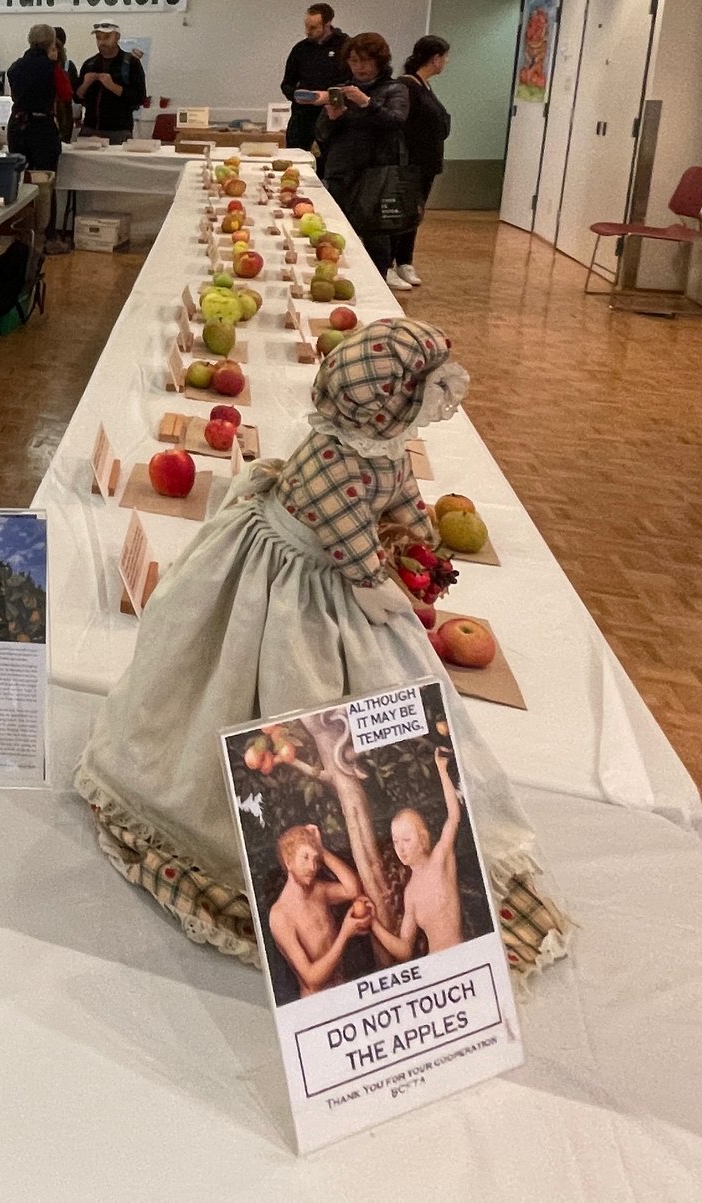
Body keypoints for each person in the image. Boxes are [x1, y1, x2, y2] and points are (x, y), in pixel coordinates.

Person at [75, 318, 567, 978]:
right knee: (279, 677)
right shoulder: (337, 461)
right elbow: (351, 548)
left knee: (367, 690)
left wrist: (419, 544)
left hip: (324, 569)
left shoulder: (379, 446)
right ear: (392, 399)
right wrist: (383, 580)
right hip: (292, 582)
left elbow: (400, 498)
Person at [315, 31, 414, 276]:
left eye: (366, 61)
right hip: (341, 171)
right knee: (334, 232)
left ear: (379, 61)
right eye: (354, 61)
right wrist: (333, 118)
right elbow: (322, 134)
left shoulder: (396, 89)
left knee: (375, 239)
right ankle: (336, 279)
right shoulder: (340, 90)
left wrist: (367, 103)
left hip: (376, 174)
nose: (359, 67)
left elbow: (396, 121)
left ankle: (378, 288)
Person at [269, 823, 376, 997]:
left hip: (343, 988)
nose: (312, 867)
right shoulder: (280, 915)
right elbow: (311, 978)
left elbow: (353, 889)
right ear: (289, 862)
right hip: (319, 1002)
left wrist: (321, 850)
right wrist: (345, 933)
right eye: (305, 858)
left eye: (315, 860)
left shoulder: (317, 891)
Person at [382, 749, 467, 959]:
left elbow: (454, 816)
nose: (400, 848)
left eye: (407, 840)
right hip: (435, 969)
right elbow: (404, 950)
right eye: (395, 842)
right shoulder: (409, 892)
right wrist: (373, 924)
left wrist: (441, 768)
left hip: (462, 959)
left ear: (422, 838)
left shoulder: (440, 858)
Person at [392, 35, 452, 290]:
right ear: (435, 58)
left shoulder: (425, 86)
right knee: (402, 213)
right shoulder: (407, 86)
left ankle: (405, 261)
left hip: (426, 163)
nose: (446, 62)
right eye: (444, 57)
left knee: (415, 215)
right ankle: (387, 263)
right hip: (410, 164)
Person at [280, 2, 351, 149]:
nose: (307, 31)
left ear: (327, 24)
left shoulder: (345, 46)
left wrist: (329, 96)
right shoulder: (300, 49)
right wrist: (296, 95)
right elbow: (287, 84)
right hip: (302, 118)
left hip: (332, 117)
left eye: (313, 27)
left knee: (328, 164)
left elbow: (353, 83)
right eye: (306, 26)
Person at [3, 23, 64, 172]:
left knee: (19, 177)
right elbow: (65, 94)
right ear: (51, 42)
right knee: (45, 177)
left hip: (17, 124)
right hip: (42, 126)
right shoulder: (52, 67)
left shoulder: (15, 67)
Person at [76, 23, 148, 137]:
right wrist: (85, 85)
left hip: (119, 131)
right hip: (89, 129)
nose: (101, 42)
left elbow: (139, 98)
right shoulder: (90, 64)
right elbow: (77, 98)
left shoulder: (131, 63)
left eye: (106, 37)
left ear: (117, 38)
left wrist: (113, 87)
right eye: (98, 38)